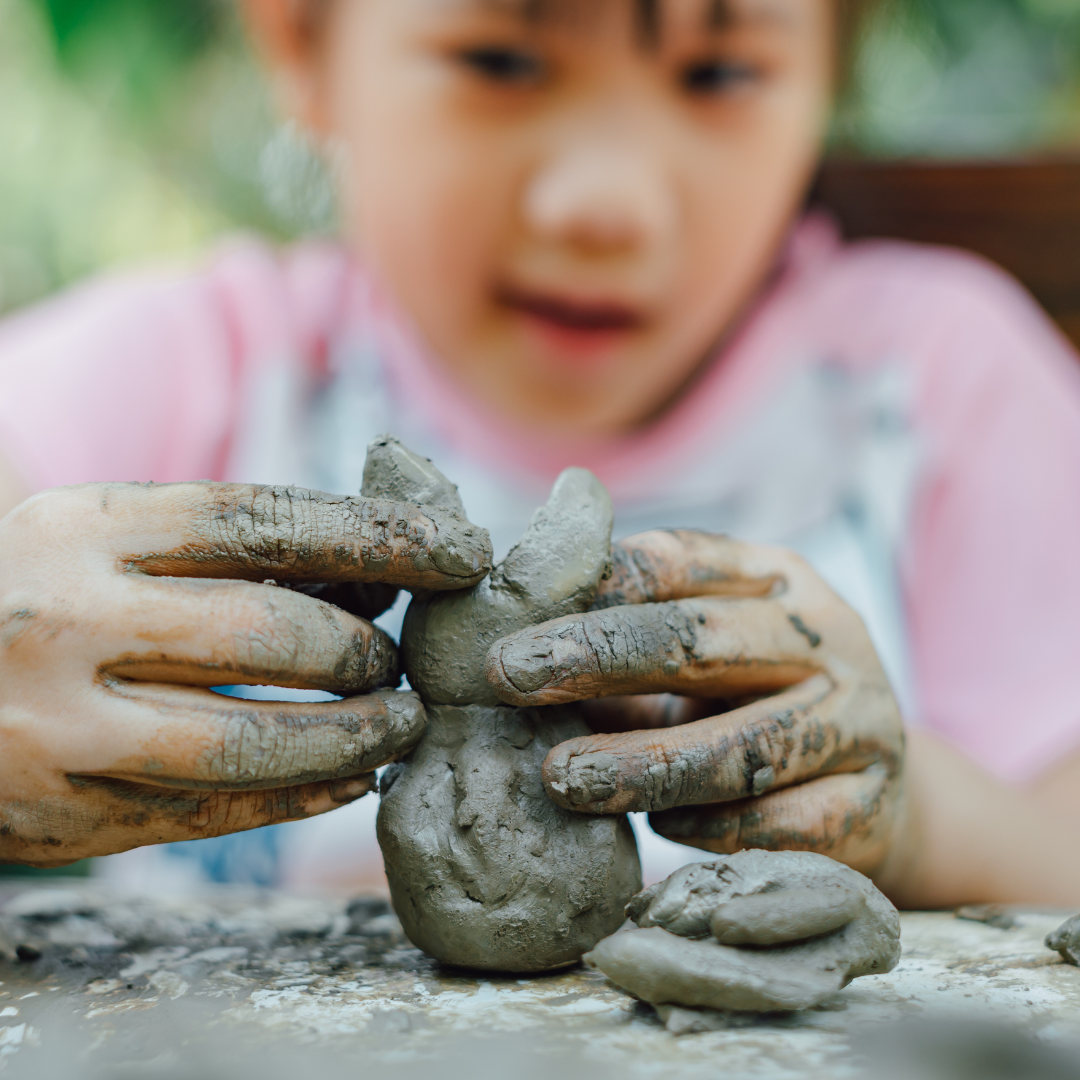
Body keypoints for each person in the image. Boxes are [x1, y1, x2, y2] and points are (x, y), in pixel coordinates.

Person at [0, 0, 1078, 909]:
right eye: (501, 60)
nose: (602, 205)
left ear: (830, 71)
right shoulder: (205, 374)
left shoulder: (939, 388)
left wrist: (919, 818)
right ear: (302, 46)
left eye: (718, 73)